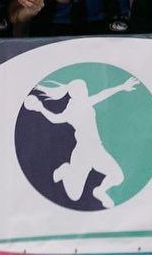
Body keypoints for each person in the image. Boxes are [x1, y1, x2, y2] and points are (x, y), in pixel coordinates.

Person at [23, 76, 140, 207]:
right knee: (74, 196)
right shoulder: (76, 107)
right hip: (82, 153)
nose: (86, 90)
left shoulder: (83, 103)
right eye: (82, 89)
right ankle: (66, 170)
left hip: (96, 150)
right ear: (75, 93)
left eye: (85, 88)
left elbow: (102, 94)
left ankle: (99, 191)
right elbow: (55, 119)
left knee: (118, 177)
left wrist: (122, 87)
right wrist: (40, 108)